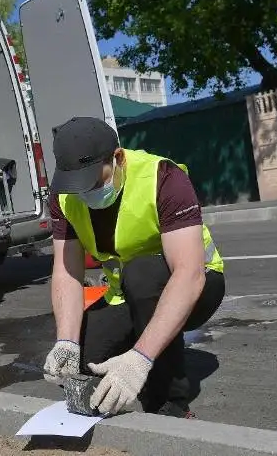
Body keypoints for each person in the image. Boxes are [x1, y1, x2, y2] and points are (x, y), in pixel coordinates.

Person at [42, 116, 226, 418]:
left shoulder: (162, 177)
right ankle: (142, 341)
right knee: (82, 363)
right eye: (78, 186)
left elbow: (188, 274)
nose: (86, 194)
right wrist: (66, 340)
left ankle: (170, 404)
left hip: (198, 286)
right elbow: (67, 272)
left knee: (142, 273)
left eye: (94, 182)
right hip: (127, 294)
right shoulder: (64, 197)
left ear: (117, 158)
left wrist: (139, 360)